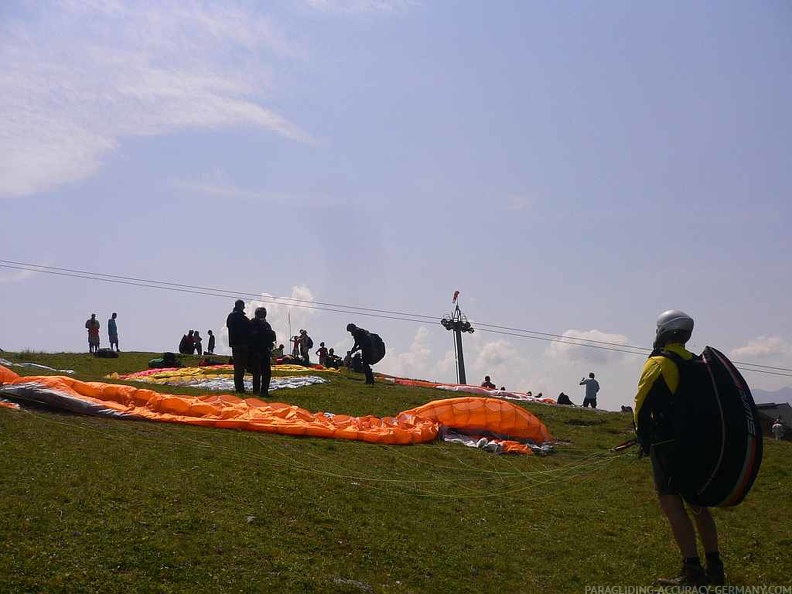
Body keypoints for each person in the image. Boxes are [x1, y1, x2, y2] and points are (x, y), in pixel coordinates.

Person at [633, 309, 724, 587]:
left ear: (663, 332)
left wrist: (644, 440)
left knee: (672, 504)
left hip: (669, 447)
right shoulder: (699, 362)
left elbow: (641, 405)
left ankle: (692, 571)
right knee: (698, 505)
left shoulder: (659, 362)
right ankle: (715, 568)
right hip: (701, 444)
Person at [248, 307, 276, 397]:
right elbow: (251, 336)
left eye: (263, 314)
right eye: (261, 313)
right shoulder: (252, 323)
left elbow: (271, 336)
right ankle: (256, 391)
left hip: (265, 350)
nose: (262, 315)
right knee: (257, 372)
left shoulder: (266, 325)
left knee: (267, 372)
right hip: (256, 350)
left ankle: (264, 391)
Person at [226, 300, 251, 393]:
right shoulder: (241, 318)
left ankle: (239, 387)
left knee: (238, 367)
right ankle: (240, 388)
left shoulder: (231, 317)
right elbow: (249, 327)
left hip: (234, 344)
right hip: (242, 343)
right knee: (241, 366)